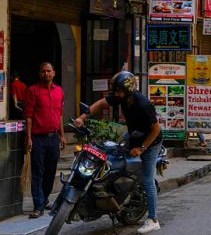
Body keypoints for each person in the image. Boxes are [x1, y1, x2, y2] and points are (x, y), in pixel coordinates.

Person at [75, 72, 162, 234]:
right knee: (113, 155)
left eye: (119, 91)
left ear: (128, 90)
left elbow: (156, 129)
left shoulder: (143, 104)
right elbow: (101, 103)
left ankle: (153, 219)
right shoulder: (121, 97)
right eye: (115, 91)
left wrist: (142, 148)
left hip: (151, 143)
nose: (116, 94)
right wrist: (82, 118)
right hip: (133, 135)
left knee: (148, 180)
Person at [23, 62, 65, 218]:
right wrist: (28, 138)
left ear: (54, 73)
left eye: (48, 71)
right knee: (37, 172)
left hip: (53, 137)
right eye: (43, 71)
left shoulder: (59, 91)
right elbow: (28, 116)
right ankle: (38, 206)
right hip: (37, 138)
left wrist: (62, 135)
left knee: (50, 171)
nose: (46, 74)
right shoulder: (32, 91)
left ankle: (45, 199)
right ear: (39, 74)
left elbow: (60, 115)